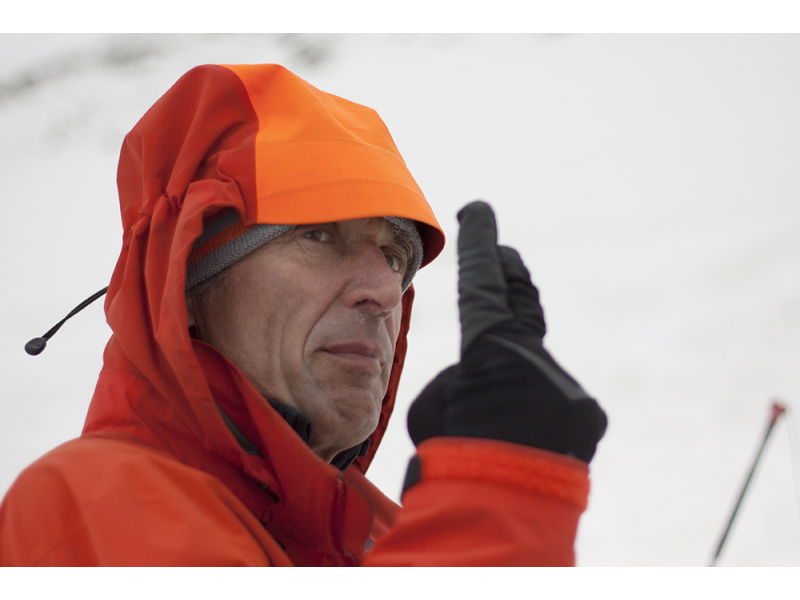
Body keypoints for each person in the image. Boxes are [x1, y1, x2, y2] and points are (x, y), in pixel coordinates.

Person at [0, 63, 607, 566]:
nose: (384, 292)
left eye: (394, 257)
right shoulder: (89, 504)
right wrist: (493, 503)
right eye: (318, 235)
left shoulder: (391, 537)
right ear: (184, 289)